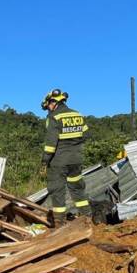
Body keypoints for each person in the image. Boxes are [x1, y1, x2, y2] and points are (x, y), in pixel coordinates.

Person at [41, 89, 91, 227]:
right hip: (76, 160)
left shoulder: (54, 117)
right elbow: (86, 134)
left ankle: (59, 224)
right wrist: (74, 144)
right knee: (78, 189)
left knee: (57, 191)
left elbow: (50, 145)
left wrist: (44, 162)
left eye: (48, 106)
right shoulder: (77, 115)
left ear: (53, 102)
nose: (48, 110)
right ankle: (87, 218)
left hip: (58, 161)